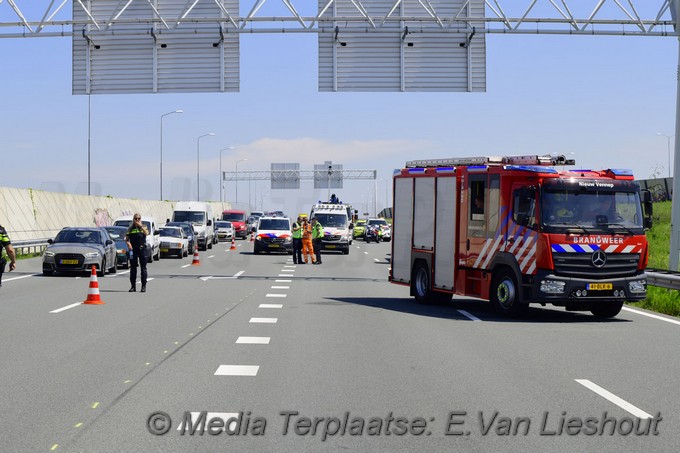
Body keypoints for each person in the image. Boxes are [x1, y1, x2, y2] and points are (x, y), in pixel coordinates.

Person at [125, 214, 148, 292]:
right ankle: (133, 286)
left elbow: (146, 233)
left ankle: (143, 286)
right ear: (133, 219)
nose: (137, 220)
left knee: (143, 268)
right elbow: (126, 238)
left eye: (139, 218)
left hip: (142, 248)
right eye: (136, 218)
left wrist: (140, 226)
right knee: (133, 268)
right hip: (133, 249)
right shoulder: (130, 228)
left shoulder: (143, 226)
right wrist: (128, 243)